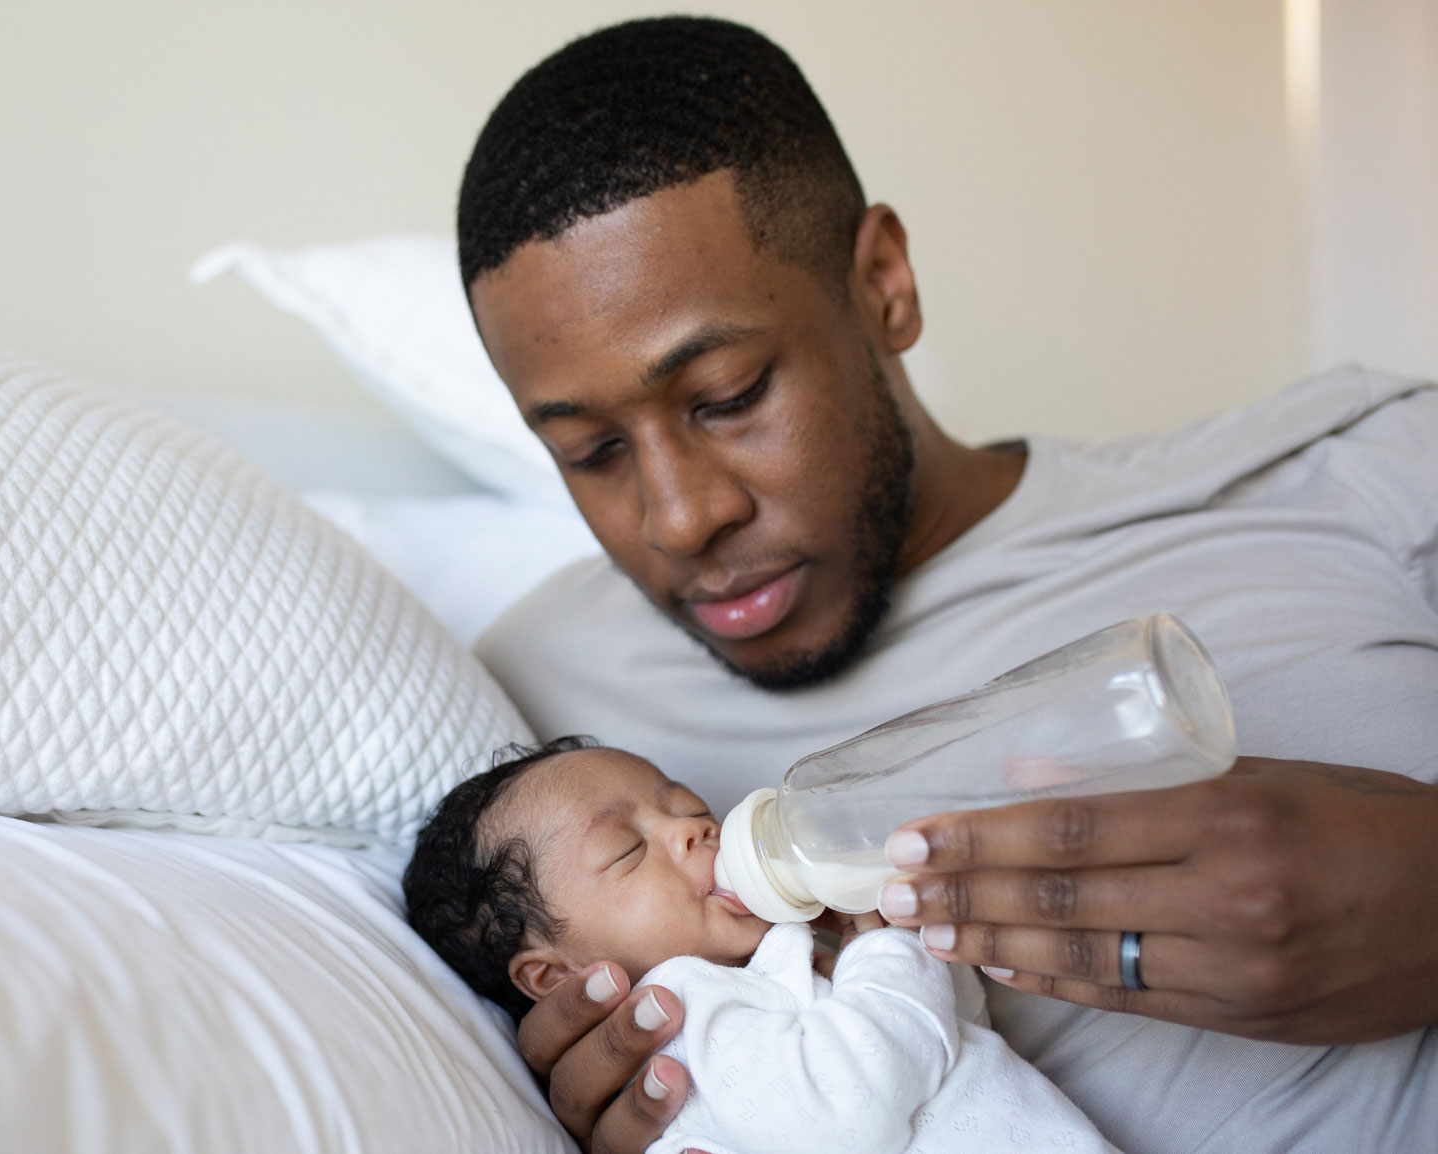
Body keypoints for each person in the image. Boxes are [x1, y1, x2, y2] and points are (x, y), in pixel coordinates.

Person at [453, 15, 1438, 1154]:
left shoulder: (1357, 470)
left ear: (881, 285)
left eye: (725, 394)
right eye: (588, 452)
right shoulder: (529, 695)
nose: (680, 518)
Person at [403, 737, 1117, 1154]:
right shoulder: (683, 1011)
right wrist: (883, 956)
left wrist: (899, 924)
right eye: (628, 849)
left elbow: (949, 1041)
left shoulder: (792, 958)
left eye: (689, 808)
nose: (695, 832)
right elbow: (848, 1107)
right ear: (555, 973)